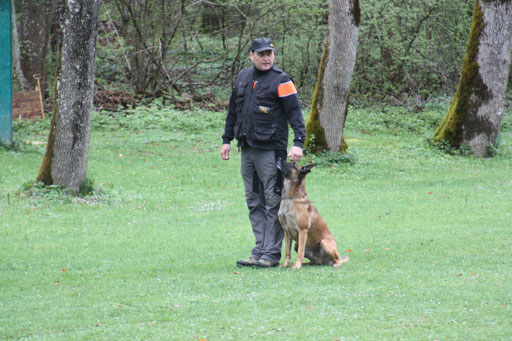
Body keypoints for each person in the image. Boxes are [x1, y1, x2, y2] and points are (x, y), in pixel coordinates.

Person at [220, 37, 306, 268]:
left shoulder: (282, 80)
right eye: (261, 54)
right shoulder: (242, 77)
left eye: (269, 53)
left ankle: (270, 254)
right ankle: (258, 251)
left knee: (272, 201)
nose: (266, 57)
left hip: (271, 150)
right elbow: (232, 112)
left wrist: (298, 142)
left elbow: (295, 114)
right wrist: (226, 139)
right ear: (251, 55)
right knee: (253, 200)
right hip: (247, 148)